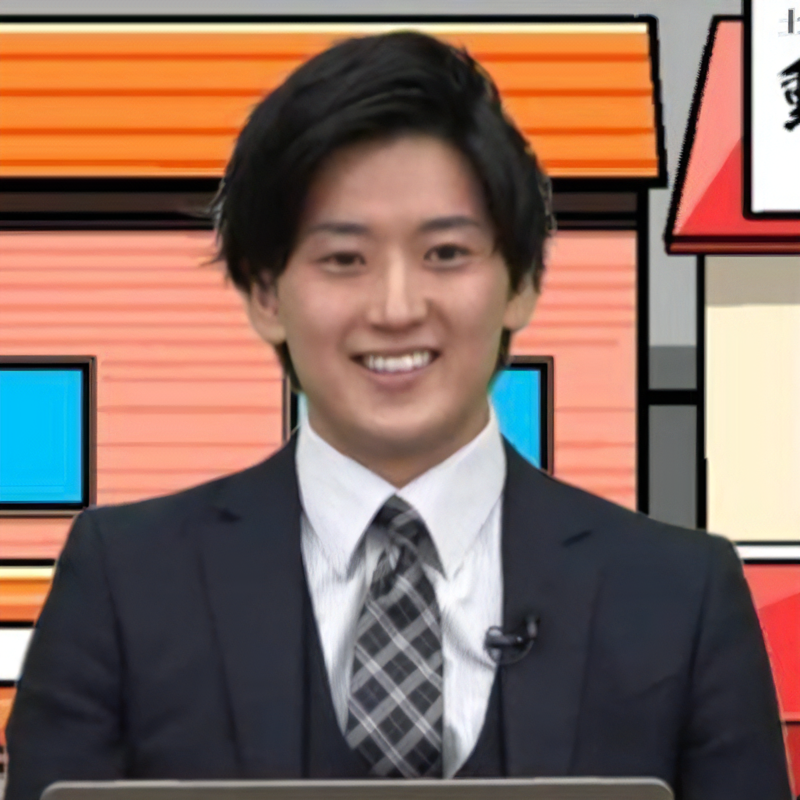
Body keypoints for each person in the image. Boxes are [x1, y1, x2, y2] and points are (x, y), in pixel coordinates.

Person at [5, 30, 792, 800]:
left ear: (521, 283)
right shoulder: (123, 583)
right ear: (266, 293)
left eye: (445, 254)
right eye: (343, 259)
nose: (395, 308)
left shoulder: (682, 595)